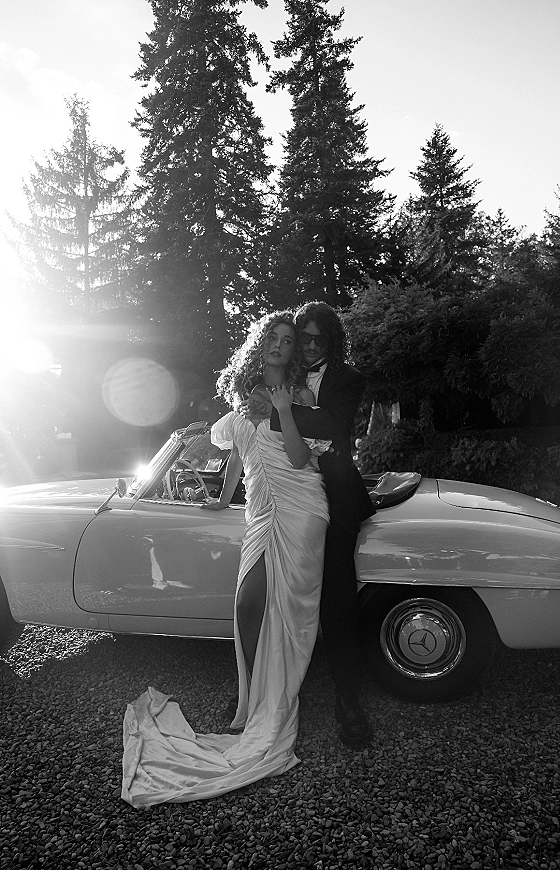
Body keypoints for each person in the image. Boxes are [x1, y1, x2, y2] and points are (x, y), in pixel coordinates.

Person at [121, 312, 330, 806]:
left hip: (301, 506)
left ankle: (274, 699)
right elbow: (238, 454)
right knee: (247, 604)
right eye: (272, 338)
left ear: (292, 350)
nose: (279, 346)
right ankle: (251, 698)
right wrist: (222, 498)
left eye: (286, 340)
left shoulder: (299, 396)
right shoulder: (240, 405)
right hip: (260, 508)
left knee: (288, 605)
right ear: (259, 345)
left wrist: (286, 411)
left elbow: (302, 459)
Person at [265, 301, 376, 747]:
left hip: (337, 494)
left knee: (336, 594)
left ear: (332, 340)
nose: (309, 347)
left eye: (318, 339)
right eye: (303, 338)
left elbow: (333, 427)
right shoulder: (282, 375)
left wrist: (284, 412)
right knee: (286, 587)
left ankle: (347, 698)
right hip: (289, 496)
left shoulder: (349, 379)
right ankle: (275, 687)